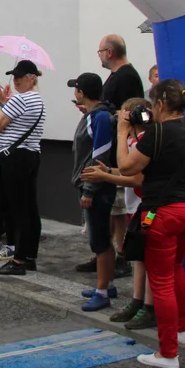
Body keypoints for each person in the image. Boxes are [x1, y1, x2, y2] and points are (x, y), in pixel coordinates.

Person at [116, 79, 185, 368]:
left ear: (162, 104)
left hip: (163, 213)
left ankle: (168, 353)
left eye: (153, 105)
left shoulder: (157, 132)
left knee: (162, 281)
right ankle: (183, 331)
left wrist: (121, 131)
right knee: (177, 268)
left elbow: (128, 166)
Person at [80, 98, 154, 326]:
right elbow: (125, 169)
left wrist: (106, 176)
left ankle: (149, 307)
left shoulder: (142, 141)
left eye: (123, 115)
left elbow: (135, 177)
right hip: (137, 207)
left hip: (148, 208)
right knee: (139, 256)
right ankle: (137, 300)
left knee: (149, 256)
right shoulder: (135, 139)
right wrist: (109, 169)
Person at [79, 35, 145, 278]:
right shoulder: (118, 76)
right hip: (115, 150)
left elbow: (129, 109)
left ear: (109, 52)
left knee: (119, 209)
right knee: (114, 211)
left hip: (119, 153)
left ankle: (120, 255)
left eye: (99, 52)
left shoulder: (126, 76)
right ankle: (105, 254)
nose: (99, 56)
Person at [0, 60, 46, 275]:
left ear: (32, 77)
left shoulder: (20, 99)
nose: (16, 80)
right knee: (30, 208)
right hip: (30, 154)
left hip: (13, 157)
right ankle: (29, 256)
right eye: (14, 76)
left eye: (20, 76)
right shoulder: (36, 99)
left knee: (17, 209)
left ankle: (19, 260)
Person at [68, 73, 118, 312]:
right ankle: (106, 285)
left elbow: (100, 154)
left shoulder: (99, 118)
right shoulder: (96, 115)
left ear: (81, 92)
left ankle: (102, 291)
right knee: (101, 238)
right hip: (95, 185)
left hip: (96, 186)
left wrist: (89, 190)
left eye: (76, 88)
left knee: (99, 240)